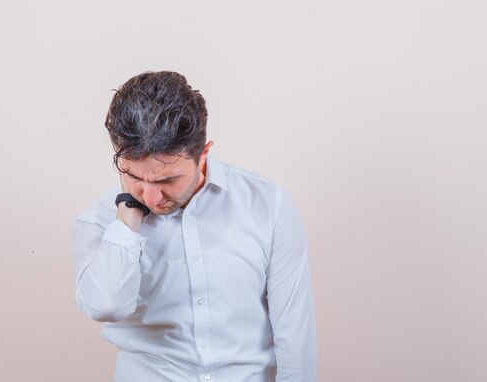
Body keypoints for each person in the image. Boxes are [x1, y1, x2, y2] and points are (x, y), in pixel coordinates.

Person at [71, 71, 317, 382]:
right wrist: (128, 217)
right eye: (133, 176)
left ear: (203, 153)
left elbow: (294, 331)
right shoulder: (97, 222)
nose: (151, 196)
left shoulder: (268, 203)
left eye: (167, 180)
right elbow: (106, 306)